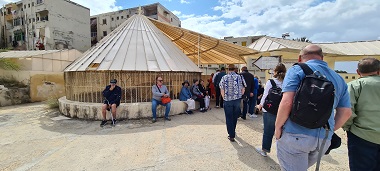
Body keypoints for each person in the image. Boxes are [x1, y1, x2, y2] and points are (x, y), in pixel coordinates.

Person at [275, 44, 352, 170]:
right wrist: (330, 130)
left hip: (295, 134)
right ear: (322, 58)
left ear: (300, 58)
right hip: (323, 139)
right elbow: (346, 112)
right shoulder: (339, 79)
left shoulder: (296, 70)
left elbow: (287, 102)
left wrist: (278, 127)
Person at [342, 58, 380, 171]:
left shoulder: (354, 86)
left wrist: (347, 127)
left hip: (361, 136)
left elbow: (347, 111)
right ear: (379, 71)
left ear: (358, 72)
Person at [255, 63, 286, 157]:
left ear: (275, 72)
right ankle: (282, 152)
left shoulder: (271, 82)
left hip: (269, 109)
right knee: (282, 131)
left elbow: (265, 95)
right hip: (283, 110)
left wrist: (260, 105)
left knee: (268, 131)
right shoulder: (287, 82)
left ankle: (265, 150)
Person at [220, 64, 245, 142]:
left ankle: (231, 135)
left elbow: (222, 89)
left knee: (229, 117)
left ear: (228, 69)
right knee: (234, 116)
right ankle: (233, 131)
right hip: (237, 100)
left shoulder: (224, 77)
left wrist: (224, 97)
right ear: (234, 69)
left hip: (227, 100)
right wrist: (239, 95)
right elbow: (243, 89)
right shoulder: (239, 77)